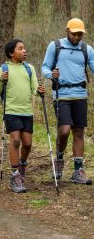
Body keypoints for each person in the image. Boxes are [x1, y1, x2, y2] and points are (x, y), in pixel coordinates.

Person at [41, 18, 94, 185]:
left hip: (80, 94)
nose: (77, 37)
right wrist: (51, 75)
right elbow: (45, 67)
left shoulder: (87, 49)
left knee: (78, 132)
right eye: (74, 34)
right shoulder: (55, 46)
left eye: (79, 34)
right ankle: (59, 160)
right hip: (61, 94)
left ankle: (78, 171)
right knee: (64, 130)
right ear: (67, 31)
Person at [0, 39, 45, 193]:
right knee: (15, 140)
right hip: (11, 111)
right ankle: (15, 175)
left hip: (27, 112)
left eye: (24, 48)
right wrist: (2, 80)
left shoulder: (30, 68)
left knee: (27, 144)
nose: (24, 51)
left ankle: (22, 164)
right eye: (20, 48)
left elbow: (34, 88)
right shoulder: (4, 68)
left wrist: (39, 91)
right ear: (11, 53)